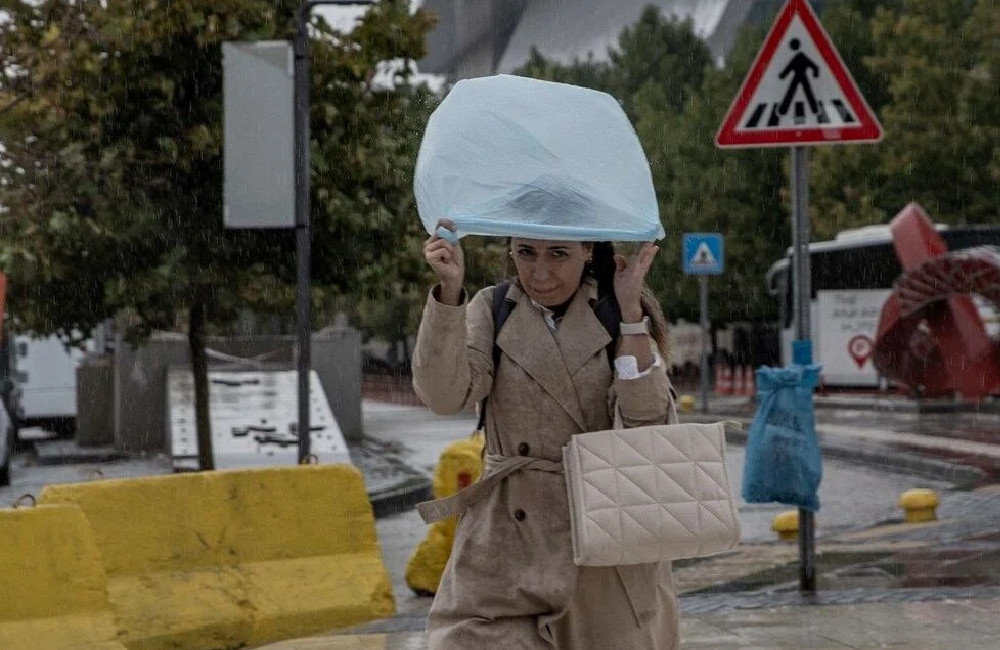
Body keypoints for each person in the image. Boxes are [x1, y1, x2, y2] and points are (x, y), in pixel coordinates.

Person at [412, 219, 680, 649]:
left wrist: (631, 317)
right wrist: (448, 294)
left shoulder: (616, 311)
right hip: (504, 549)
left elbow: (647, 426)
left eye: (558, 254)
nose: (539, 272)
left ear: (588, 251)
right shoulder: (492, 306)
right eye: (525, 252)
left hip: (603, 541)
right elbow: (444, 396)